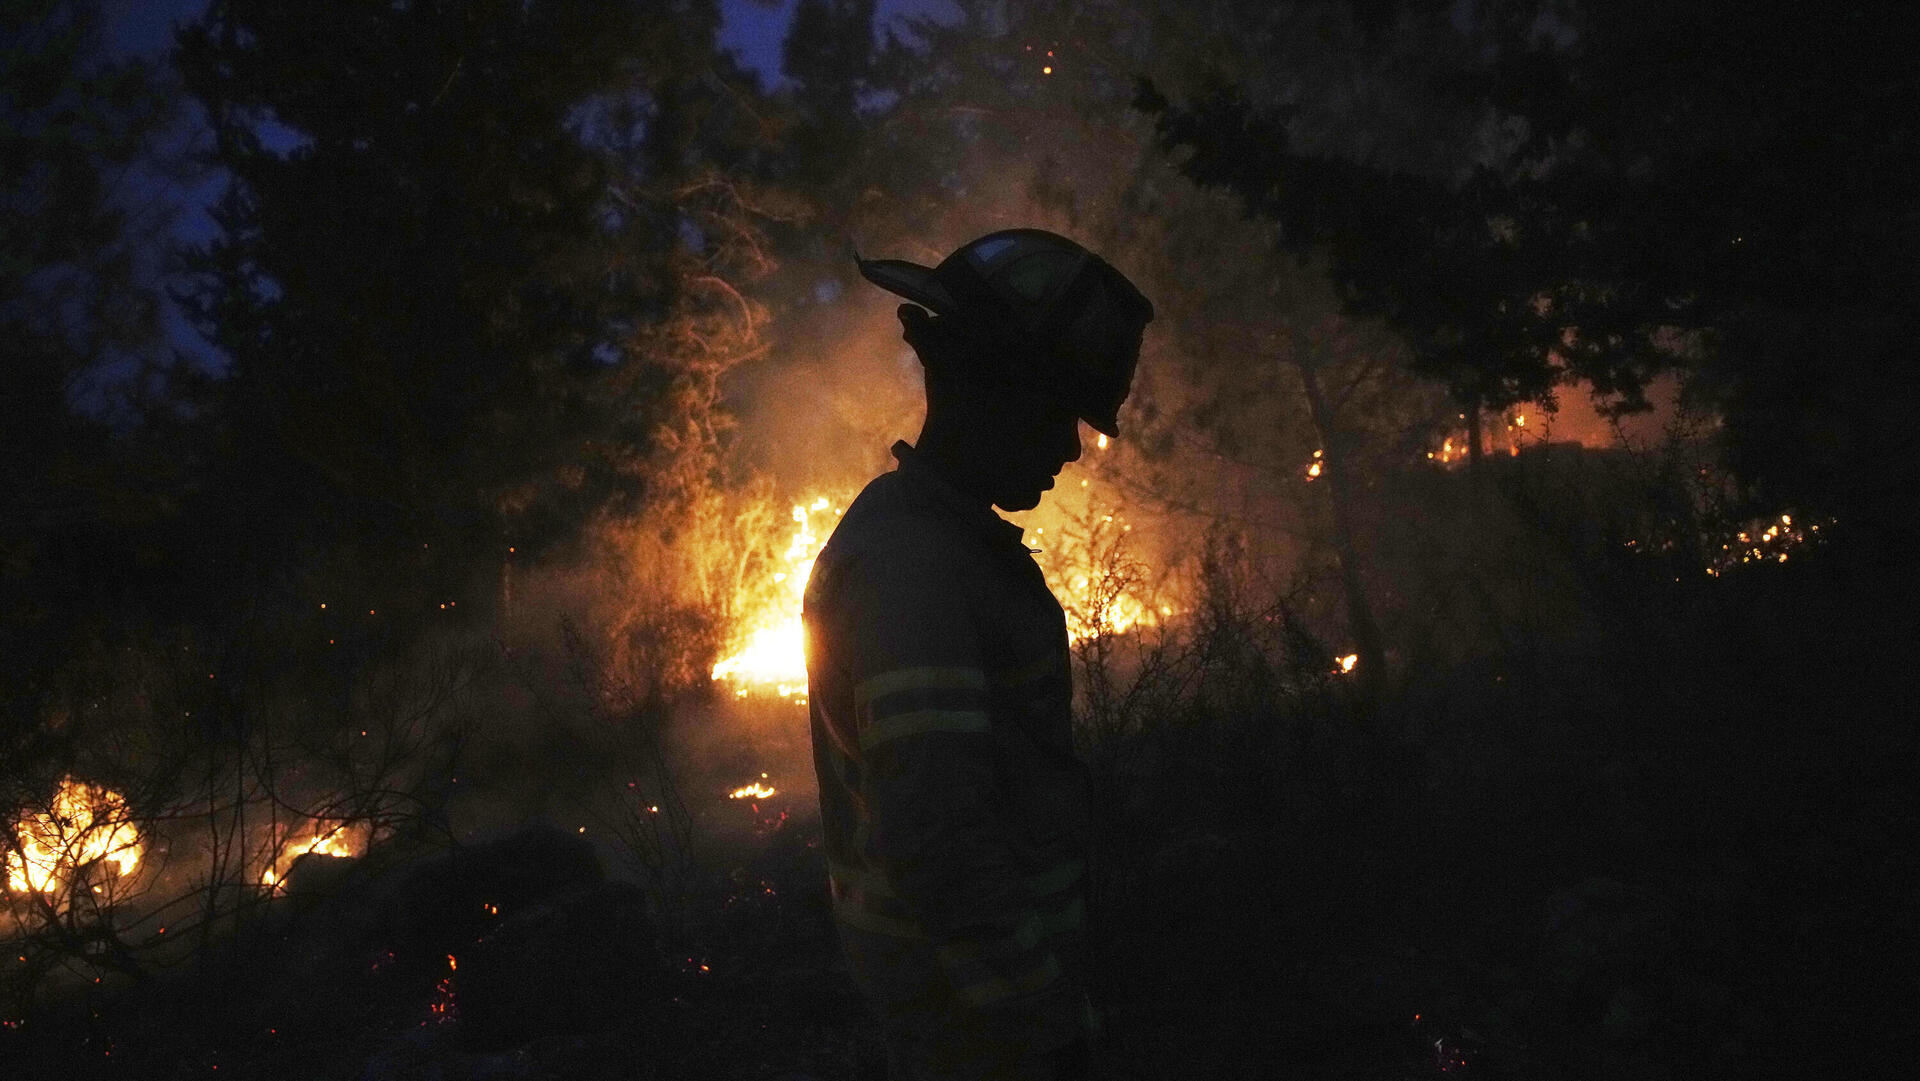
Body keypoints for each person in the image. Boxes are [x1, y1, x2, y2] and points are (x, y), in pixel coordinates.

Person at [803, 229, 1154, 1080]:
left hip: (972, 1004)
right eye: (1057, 409)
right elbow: (941, 838)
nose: (1072, 447)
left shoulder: (943, 544)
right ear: (991, 389)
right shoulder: (914, 569)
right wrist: (1045, 1023)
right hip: (979, 1026)